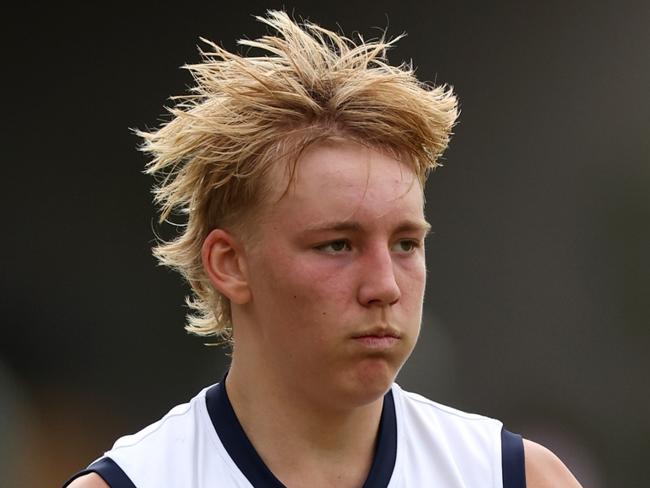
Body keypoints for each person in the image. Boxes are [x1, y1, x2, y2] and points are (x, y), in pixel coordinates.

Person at [65, 11, 582, 488]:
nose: (384, 285)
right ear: (230, 264)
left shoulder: (515, 478)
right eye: (337, 244)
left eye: (406, 243)